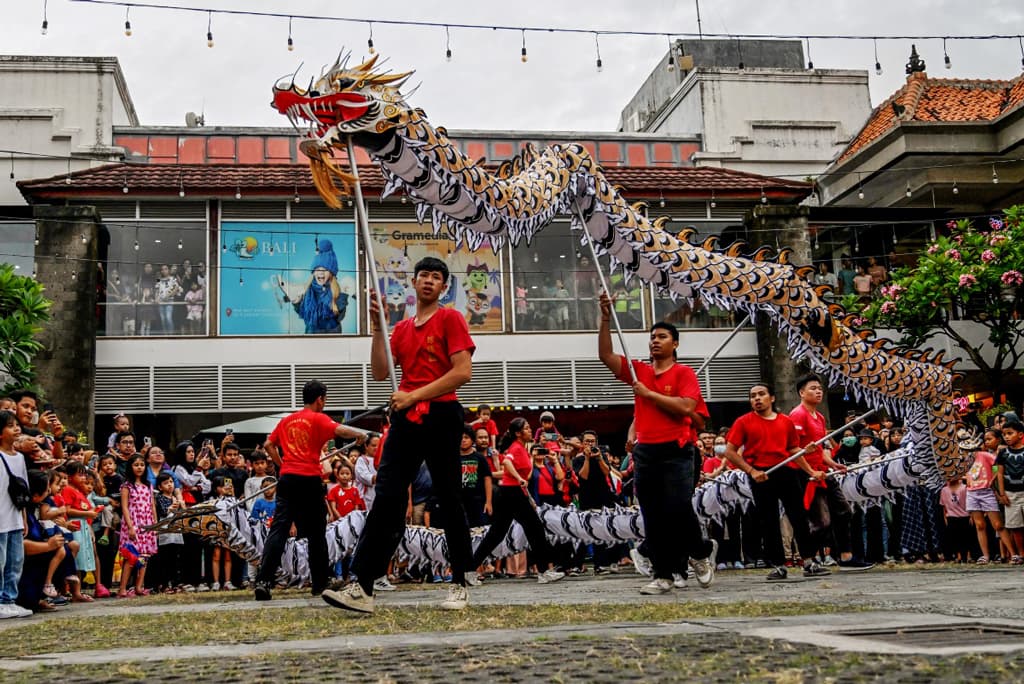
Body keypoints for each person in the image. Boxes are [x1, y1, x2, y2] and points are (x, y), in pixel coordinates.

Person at [323, 257, 476, 614]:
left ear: (443, 287)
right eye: (423, 275)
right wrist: (378, 327)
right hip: (406, 417)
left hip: (440, 413)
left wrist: (414, 395)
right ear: (414, 282)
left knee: (449, 496)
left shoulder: (450, 318)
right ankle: (361, 584)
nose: (428, 281)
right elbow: (379, 371)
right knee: (388, 497)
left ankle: (460, 580)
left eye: (436, 277)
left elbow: (463, 372)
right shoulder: (403, 328)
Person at [598, 297, 715, 594]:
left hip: (677, 451)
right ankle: (662, 575)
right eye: (652, 337)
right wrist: (605, 318)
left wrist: (649, 395)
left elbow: (687, 406)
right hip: (646, 451)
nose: (655, 341)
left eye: (662, 337)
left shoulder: (683, 374)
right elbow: (606, 356)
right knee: (652, 514)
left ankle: (700, 553)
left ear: (675, 343)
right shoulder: (638, 372)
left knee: (677, 507)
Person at [253, 380, 368, 601]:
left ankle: (264, 581)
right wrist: (359, 435)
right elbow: (340, 430)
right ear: (320, 399)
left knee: (279, 529)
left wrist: (282, 464)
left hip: (287, 478)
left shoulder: (286, 420)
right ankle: (320, 582)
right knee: (316, 532)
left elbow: (269, 445)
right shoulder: (318, 418)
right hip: (309, 479)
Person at [721, 384, 829, 581]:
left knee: (798, 517)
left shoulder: (785, 422)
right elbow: (730, 452)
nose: (757, 399)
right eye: (753, 396)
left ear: (771, 398)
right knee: (768, 520)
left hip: (786, 472)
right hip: (761, 475)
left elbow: (793, 450)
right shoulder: (743, 422)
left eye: (761, 395)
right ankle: (779, 565)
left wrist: (810, 466)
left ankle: (808, 561)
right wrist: (751, 471)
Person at [788, 375, 871, 571]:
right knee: (821, 522)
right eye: (813, 388)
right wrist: (810, 471)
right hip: (806, 475)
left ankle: (846, 557)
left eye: (820, 389)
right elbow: (794, 450)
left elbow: (818, 450)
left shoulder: (820, 417)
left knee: (844, 511)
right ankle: (808, 558)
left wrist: (834, 464)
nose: (818, 392)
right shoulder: (797, 415)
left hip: (823, 472)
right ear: (802, 392)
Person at [468, 418, 565, 585]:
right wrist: (519, 478)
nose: (530, 430)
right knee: (533, 531)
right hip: (510, 494)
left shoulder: (522, 448)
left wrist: (527, 495)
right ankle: (544, 571)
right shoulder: (516, 447)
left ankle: (469, 569)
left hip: (515, 494)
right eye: (527, 428)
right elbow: (506, 462)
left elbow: (523, 475)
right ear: (518, 433)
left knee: (501, 534)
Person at [0, 409, 32, 618]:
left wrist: (23, 516)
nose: (17, 429)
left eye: (17, 425)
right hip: (1, 519)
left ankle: (9, 599)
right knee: (0, 562)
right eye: (11, 426)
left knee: (15, 561)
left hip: (14, 517)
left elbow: (24, 489)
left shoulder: (20, 458)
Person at [117, 454, 156, 598]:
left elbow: (152, 506)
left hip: (147, 523)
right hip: (133, 522)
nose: (139, 467)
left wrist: (155, 526)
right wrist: (130, 526)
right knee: (131, 556)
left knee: (144, 556)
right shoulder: (126, 486)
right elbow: (125, 507)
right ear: (130, 467)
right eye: (136, 465)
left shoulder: (148, 485)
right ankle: (122, 588)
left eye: (142, 465)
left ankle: (139, 586)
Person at [995, 419, 1024, 562]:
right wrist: (1001, 493)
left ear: (1020, 435)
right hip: (1010, 493)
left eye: (1010, 433)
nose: (1006, 437)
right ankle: (1021, 554)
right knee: (1015, 526)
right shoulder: (1002, 453)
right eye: (1004, 434)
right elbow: (998, 472)